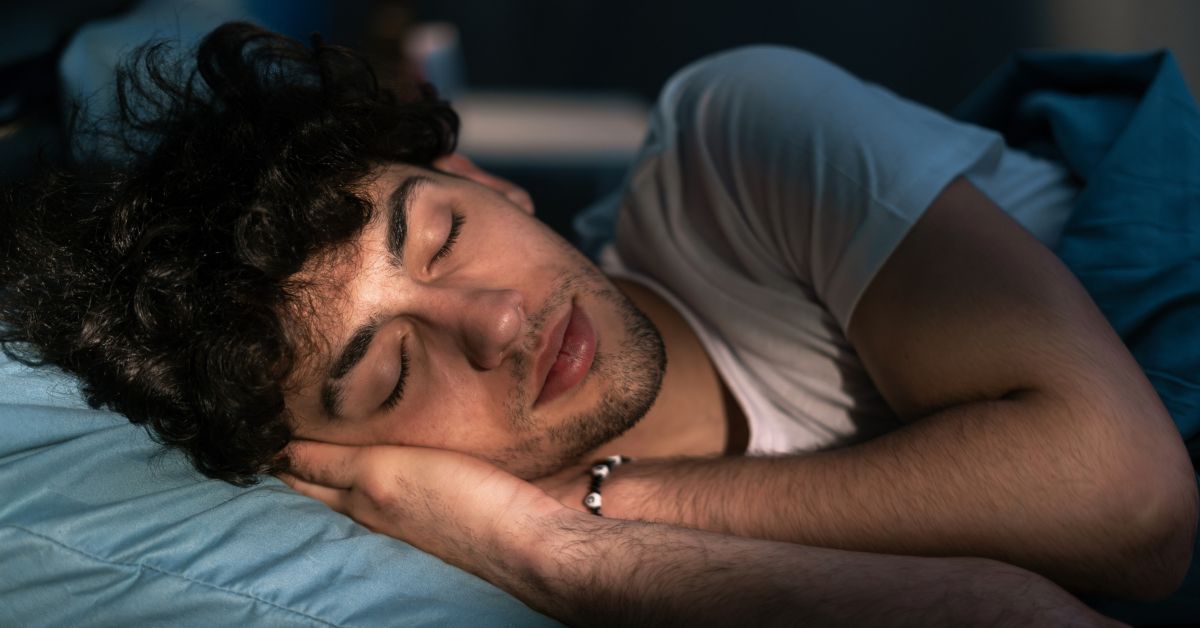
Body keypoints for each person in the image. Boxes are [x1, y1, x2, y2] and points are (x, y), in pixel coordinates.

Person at [0, 22, 1190, 625]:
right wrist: (549, 555)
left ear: (487, 178)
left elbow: (1129, 505)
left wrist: (587, 508)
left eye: (444, 236)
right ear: (347, 463)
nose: (499, 319)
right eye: (397, 370)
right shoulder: (541, 573)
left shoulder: (742, 133)